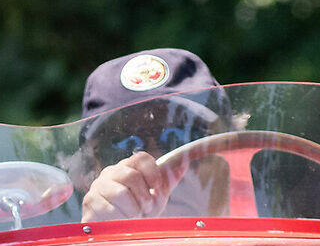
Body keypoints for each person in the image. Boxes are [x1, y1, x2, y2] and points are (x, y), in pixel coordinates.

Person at [76, 48, 235, 221]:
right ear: (90, 175)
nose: (156, 164)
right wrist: (99, 240)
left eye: (183, 140)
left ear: (235, 154)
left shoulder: (267, 235)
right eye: (125, 146)